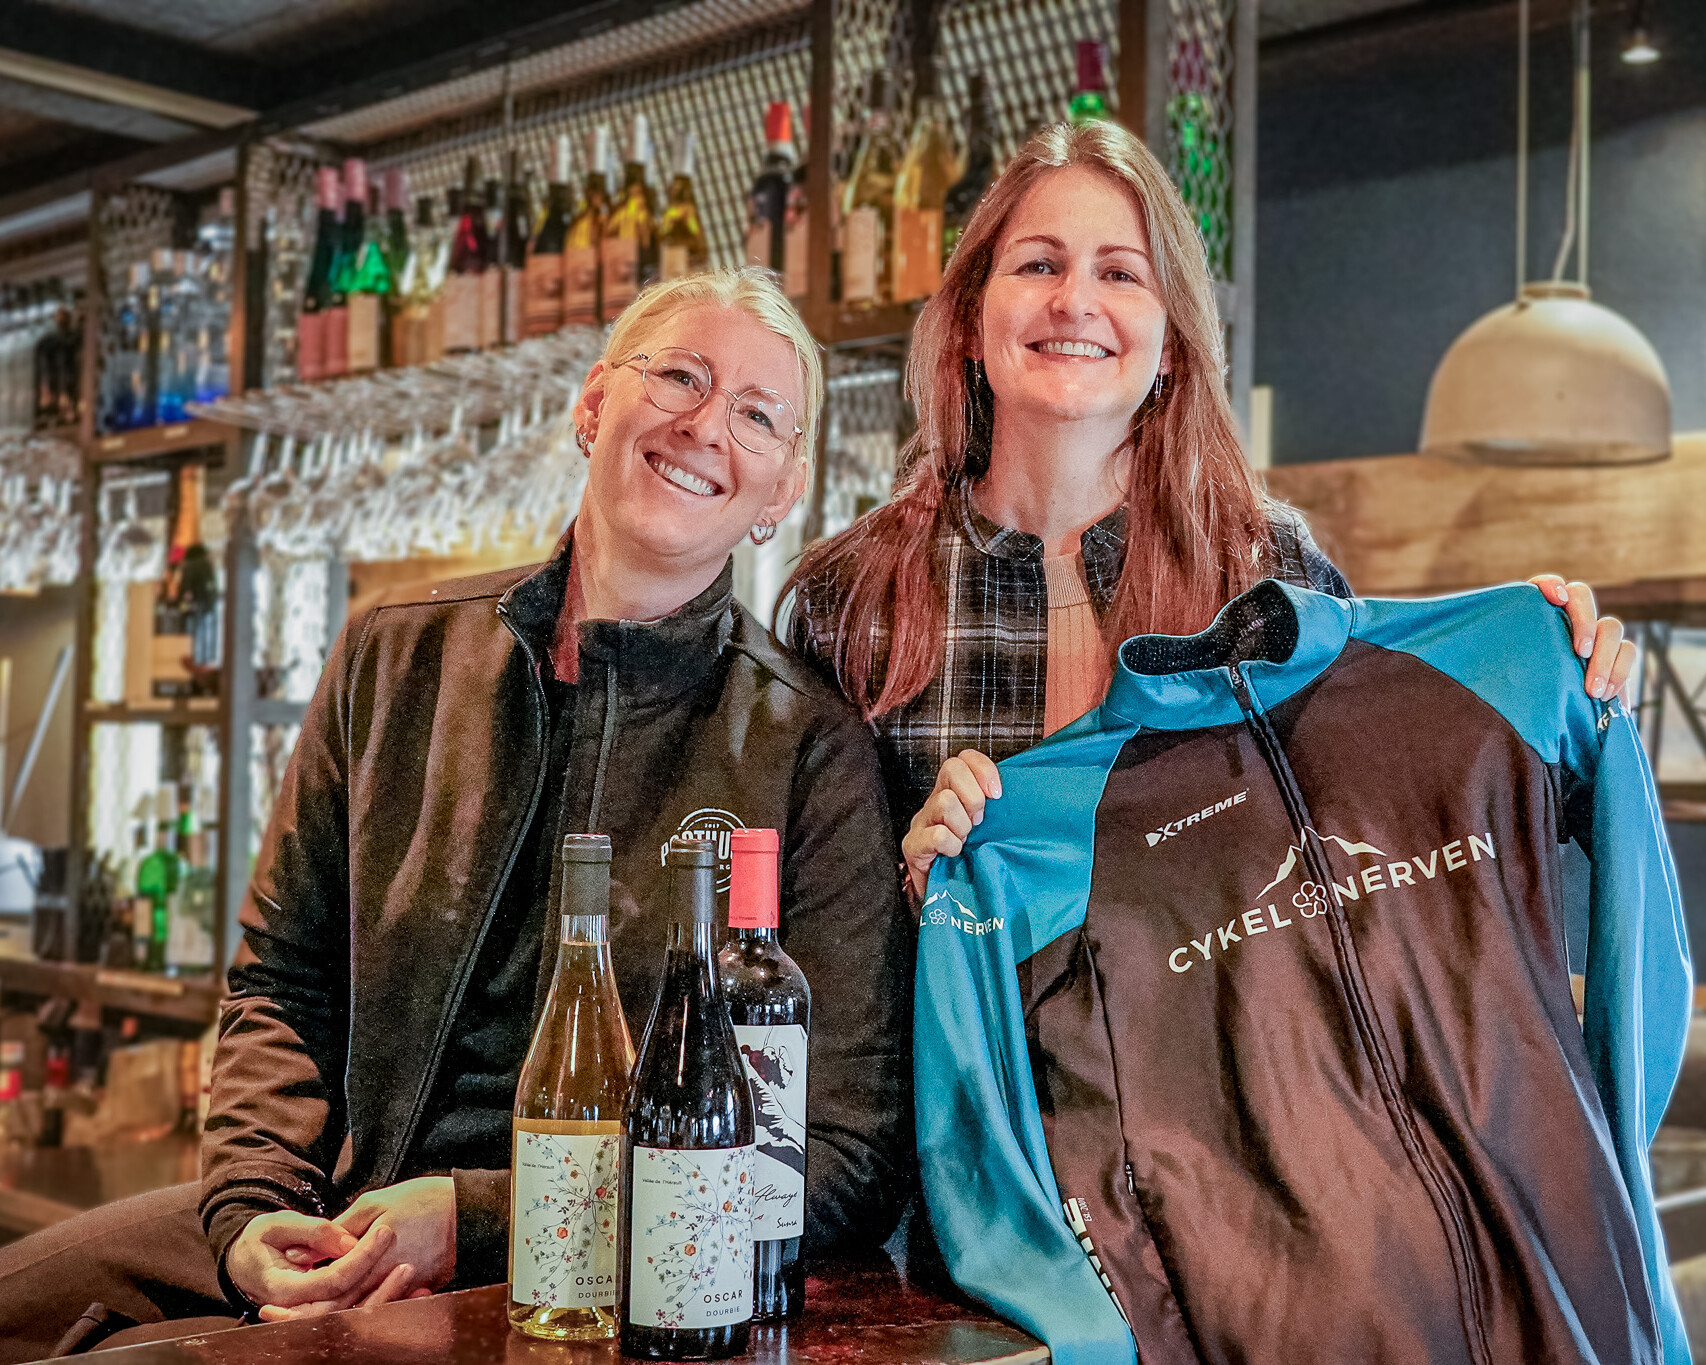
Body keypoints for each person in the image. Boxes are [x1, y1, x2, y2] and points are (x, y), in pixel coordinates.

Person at [0, 268, 913, 1360]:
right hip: (333, 1215)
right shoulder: (393, 655)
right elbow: (280, 981)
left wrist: (478, 1217)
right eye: (678, 375)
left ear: (781, 492)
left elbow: (834, 1155)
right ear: (591, 406)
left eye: (757, 416)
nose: (704, 425)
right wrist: (249, 1208)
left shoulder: (808, 748)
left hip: (584, 1273)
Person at [783, 119, 1634, 901]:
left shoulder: (1270, 573)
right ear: (972, 319)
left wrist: (1563, 693)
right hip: (941, 1070)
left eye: (1120, 273)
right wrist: (914, 883)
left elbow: (1394, 853)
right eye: (1038, 264)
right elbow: (804, 937)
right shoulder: (850, 598)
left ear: (1169, 347)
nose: (1074, 300)